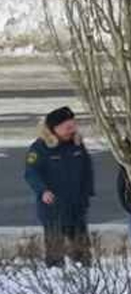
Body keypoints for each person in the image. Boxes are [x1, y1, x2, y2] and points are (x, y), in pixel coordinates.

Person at [24, 106, 92, 267]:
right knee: (55, 248)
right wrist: (42, 190)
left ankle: (85, 274)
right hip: (53, 206)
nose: (72, 130)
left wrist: (87, 194)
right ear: (55, 128)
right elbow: (31, 173)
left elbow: (87, 170)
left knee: (81, 249)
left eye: (73, 125)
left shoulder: (77, 145)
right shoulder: (40, 148)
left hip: (76, 206)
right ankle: (55, 276)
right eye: (68, 127)